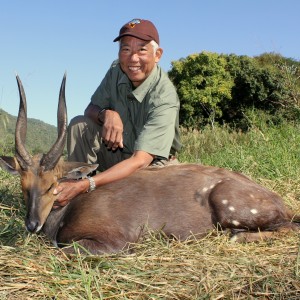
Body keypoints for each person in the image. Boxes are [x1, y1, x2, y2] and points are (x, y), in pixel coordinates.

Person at [53, 18, 181, 207]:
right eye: (126, 49)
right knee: (79, 124)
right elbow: (90, 110)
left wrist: (87, 185)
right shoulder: (116, 70)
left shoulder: (165, 96)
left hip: (150, 165)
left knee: (138, 205)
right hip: (117, 154)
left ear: (158, 54)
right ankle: (73, 187)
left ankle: (84, 187)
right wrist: (106, 114)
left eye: (142, 50)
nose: (133, 58)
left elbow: (140, 160)